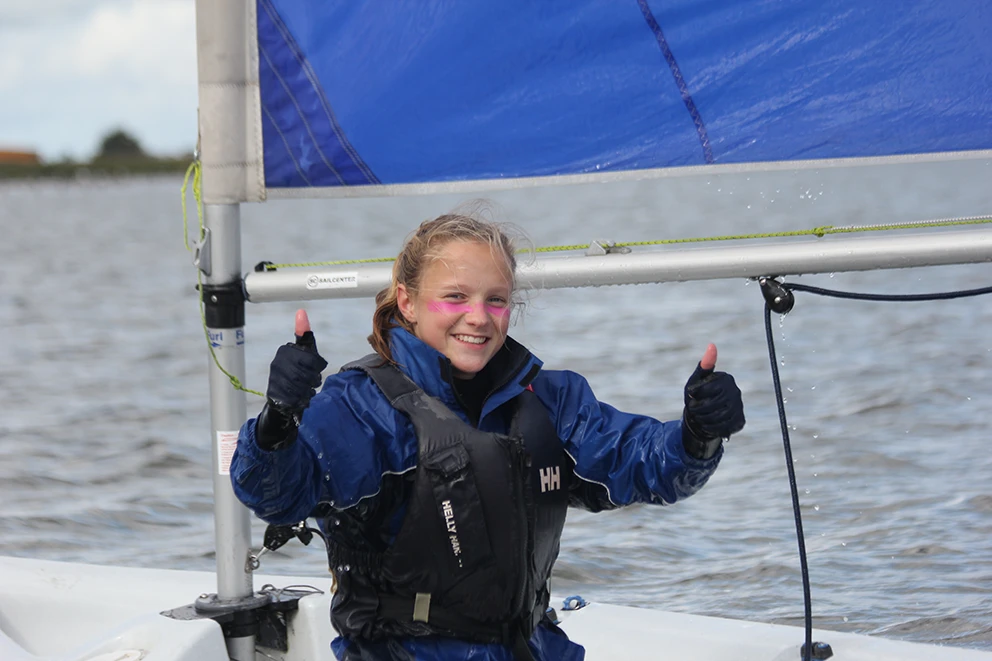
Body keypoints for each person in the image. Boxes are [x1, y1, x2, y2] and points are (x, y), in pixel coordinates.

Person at [230, 211, 745, 661]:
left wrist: (697, 434)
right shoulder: (361, 408)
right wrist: (278, 420)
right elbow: (276, 496)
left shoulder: (552, 402)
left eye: (495, 300)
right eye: (455, 297)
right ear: (407, 303)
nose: (478, 317)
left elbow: (649, 467)